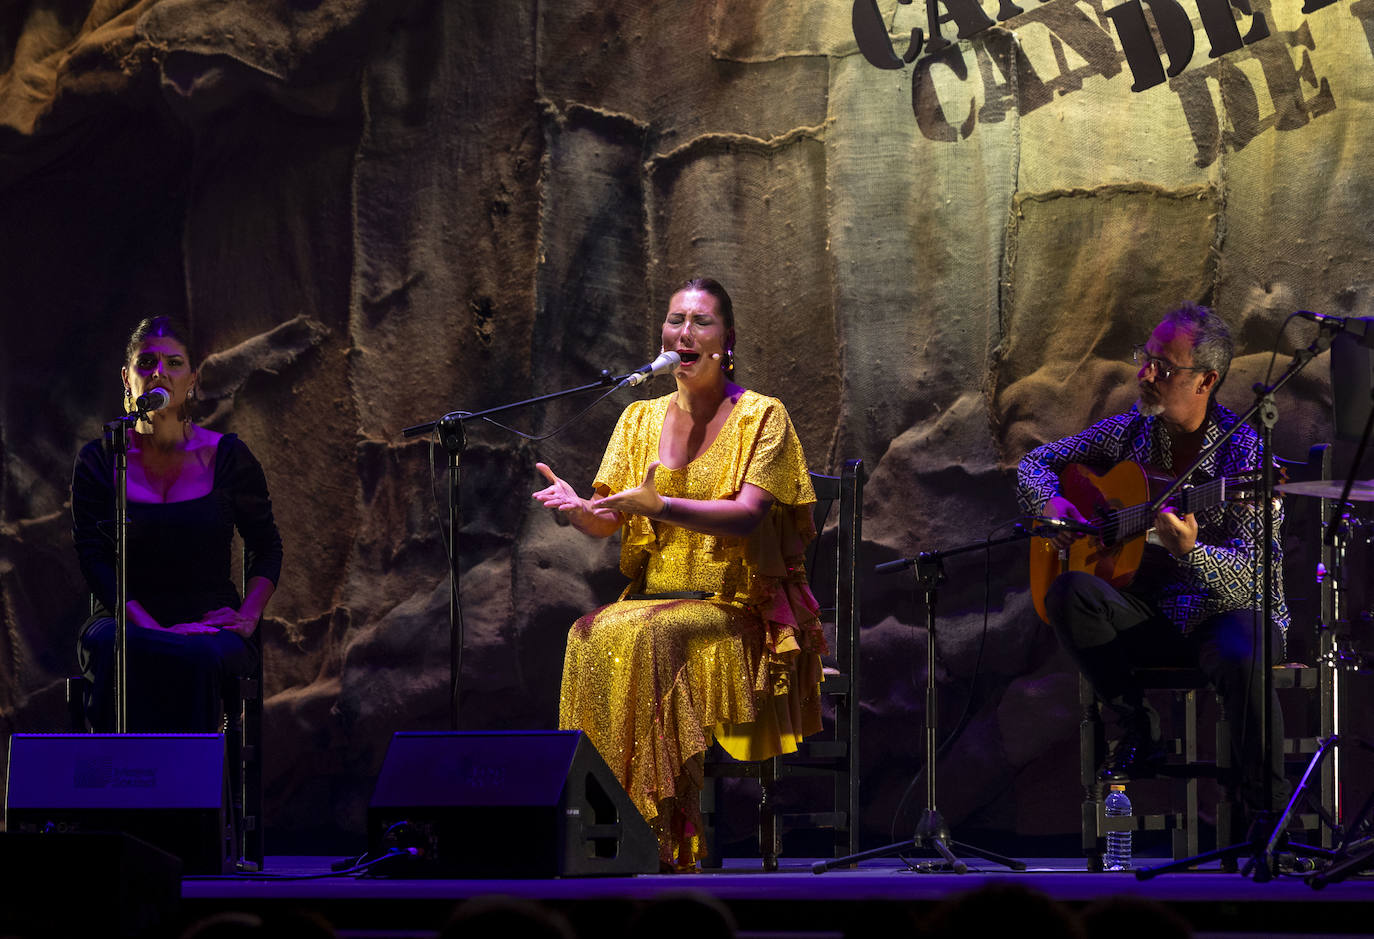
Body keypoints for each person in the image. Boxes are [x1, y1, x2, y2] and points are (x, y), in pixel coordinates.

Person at [532, 278, 824, 871]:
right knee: (587, 633)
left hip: (738, 608)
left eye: (701, 322)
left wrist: (659, 505)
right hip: (655, 599)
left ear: (727, 341)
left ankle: (659, 838)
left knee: (645, 636)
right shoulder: (639, 418)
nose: (684, 333)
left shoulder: (762, 416)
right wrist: (577, 512)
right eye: (674, 320)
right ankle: (595, 829)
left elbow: (746, 518)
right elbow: (607, 519)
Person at [1016, 303, 1289, 821]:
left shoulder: (1247, 456)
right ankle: (1139, 728)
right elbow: (1036, 461)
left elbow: (1256, 580)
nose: (1145, 373)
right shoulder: (1130, 433)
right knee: (1069, 593)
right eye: (1146, 358)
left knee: (1241, 651)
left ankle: (1265, 821)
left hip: (1226, 614)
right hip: (1153, 611)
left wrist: (1193, 552)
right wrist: (1049, 501)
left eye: (1162, 367)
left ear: (1206, 380)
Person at [72, 316, 282, 733]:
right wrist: (150, 626)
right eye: (146, 363)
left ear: (192, 379)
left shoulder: (226, 456)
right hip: (124, 618)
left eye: (173, 362)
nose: (159, 372)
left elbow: (267, 545)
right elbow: (93, 559)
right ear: (127, 378)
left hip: (208, 617)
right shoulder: (100, 459)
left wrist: (248, 616)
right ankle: (124, 790)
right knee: (120, 647)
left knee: (200, 656)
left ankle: (196, 794)